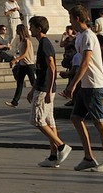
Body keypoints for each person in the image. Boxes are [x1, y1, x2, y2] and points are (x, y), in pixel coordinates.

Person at [62, 4, 103, 172]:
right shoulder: (80, 36)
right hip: (86, 85)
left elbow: (85, 62)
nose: (70, 21)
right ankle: (88, 157)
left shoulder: (89, 36)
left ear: (77, 18)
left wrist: (72, 84)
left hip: (95, 85)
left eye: (71, 18)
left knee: (100, 123)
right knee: (76, 118)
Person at [26, 16, 70, 166]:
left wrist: (48, 90)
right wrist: (32, 89)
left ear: (39, 28)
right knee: (49, 120)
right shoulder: (43, 43)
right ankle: (53, 155)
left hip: (44, 88)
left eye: (32, 27)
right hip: (43, 86)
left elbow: (52, 67)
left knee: (37, 120)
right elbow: (42, 71)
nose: (30, 29)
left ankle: (61, 146)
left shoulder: (45, 44)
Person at [8, 24, 36, 106]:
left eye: (17, 29)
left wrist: (16, 59)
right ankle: (15, 101)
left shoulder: (27, 40)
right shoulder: (21, 40)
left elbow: (25, 54)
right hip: (22, 64)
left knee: (33, 82)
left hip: (29, 64)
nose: (16, 31)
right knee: (19, 83)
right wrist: (17, 59)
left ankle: (38, 97)